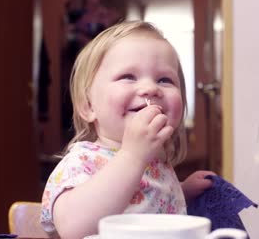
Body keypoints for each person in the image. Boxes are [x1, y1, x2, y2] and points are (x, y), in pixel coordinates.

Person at [41, 21, 215, 239]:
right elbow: (73, 228)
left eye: (165, 79)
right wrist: (132, 155)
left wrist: (183, 191)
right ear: (88, 106)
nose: (150, 88)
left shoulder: (155, 163)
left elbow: (146, 202)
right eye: (128, 77)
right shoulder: (82, 162)